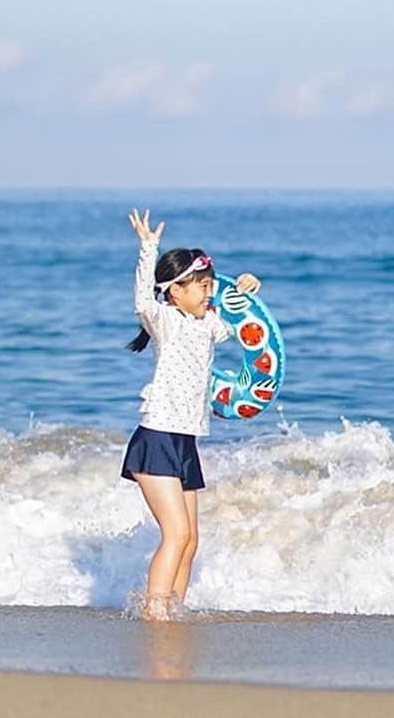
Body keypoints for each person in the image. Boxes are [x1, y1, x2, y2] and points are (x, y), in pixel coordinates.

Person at [121, 208, 260, 620]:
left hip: (185, 441)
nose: (206, 290)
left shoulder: (208, 325)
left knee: (191, 539)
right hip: (157, 437)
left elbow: (238, 322)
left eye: (209, 284)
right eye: (198, 285)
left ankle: (173, 612)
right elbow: (143, 300)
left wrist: (248, 290)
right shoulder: (165, 320)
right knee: (176, 533)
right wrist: (149, 249)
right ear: (174, 292)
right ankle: (154, 613)